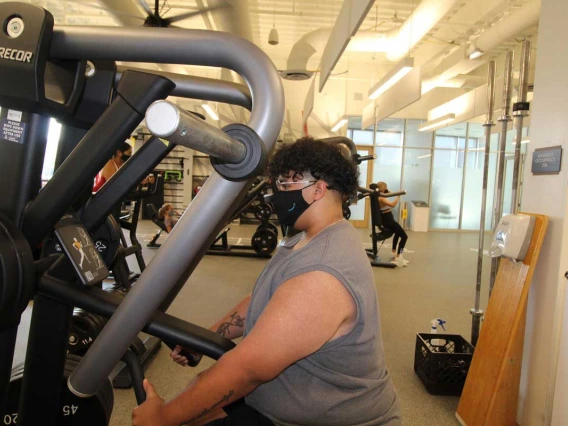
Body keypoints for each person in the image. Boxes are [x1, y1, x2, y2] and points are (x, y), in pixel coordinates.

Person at [132, 137, 401, 426]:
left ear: (317, 190)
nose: (276, 194)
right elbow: (266, 298)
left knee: (198, 401)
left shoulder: (322, 273)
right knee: (199, 391)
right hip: (286, 400)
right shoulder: (304, 237)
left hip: (330, 419)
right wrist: (205, 338)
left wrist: (163, 418)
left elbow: (247, 370)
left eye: (285, 185)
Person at [377, 182, 408, 267]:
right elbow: (393, 205)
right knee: (404, 236)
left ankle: (394, 252)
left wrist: (388, 191)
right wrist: (398, 196)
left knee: (397, 233)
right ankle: (399, 256)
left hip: (388, 220)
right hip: (388, 221)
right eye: (385, 187)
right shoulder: (381, 198)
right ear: (382, 188)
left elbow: (389, 194)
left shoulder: (380, 195)